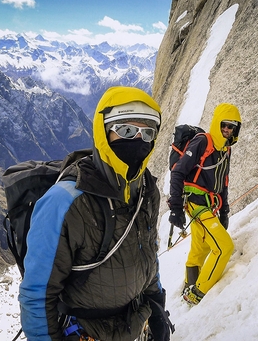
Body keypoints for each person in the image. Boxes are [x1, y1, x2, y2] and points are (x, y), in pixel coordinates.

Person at [19, 86, 173, 340]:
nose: (138, 140)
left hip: (136, 321)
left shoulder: (146, 189)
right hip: (86, 331)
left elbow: (146, 251)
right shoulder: (64, 201)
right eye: (125, 131)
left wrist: (156, 304)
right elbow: (37, 295)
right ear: (104, 133)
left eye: (147, 133)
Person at [168, 103, 242, 305]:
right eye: (224, 125)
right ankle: (197, 293)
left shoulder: (225, 150)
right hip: (195, 203)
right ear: (217, 123)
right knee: (224, 247)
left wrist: (224, 211)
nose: (227, 130)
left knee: (200, 249)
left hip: (209, 204)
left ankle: (189, 284)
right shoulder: (202, 142)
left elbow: (223, 182)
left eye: (232, 127)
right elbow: (178, 172)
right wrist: (175, 208)